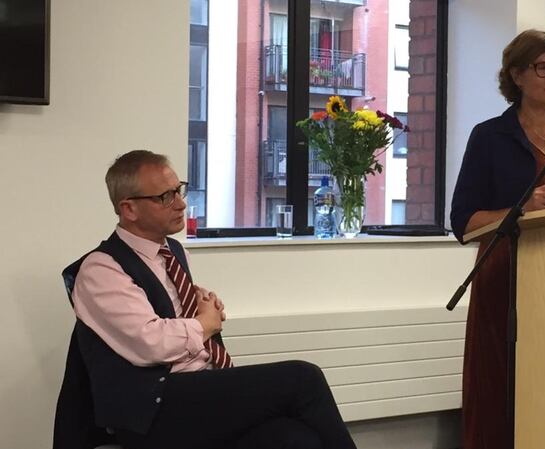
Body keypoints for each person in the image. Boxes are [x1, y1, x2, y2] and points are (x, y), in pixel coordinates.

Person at [56, 150, 357, 449]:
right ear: (129, 209)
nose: (181, 204)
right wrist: (204, 325)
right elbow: (150, 343)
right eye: (165, 197)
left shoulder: (173, 252)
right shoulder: (101, 269)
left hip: (197, 391)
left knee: (294, 438)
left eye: (179, 190)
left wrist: (200, 305)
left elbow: (169, 311)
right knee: (302, 378)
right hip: (151, 411)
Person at [450, 30, 545, 449]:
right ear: (517, 75)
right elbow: (463, 221)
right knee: (506, 390)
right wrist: (523, 207)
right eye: (543, 67)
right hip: (509, 281)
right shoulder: (490, 137)